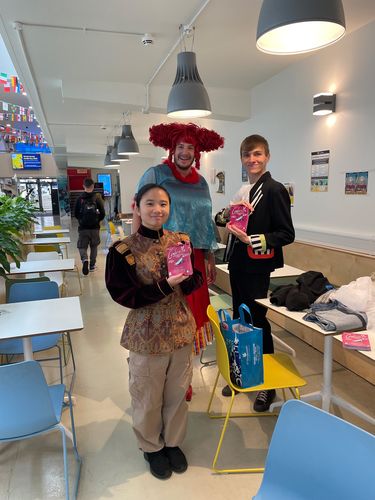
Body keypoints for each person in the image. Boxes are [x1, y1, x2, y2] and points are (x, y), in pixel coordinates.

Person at [105, 183, 203, 480]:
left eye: (162, 204)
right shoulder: (123, 250)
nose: (157, 210)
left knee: (176, 394)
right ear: (136, 206)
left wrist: (187, 279)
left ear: (169, 208)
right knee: (147, 396)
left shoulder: (180, 241)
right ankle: (151, 446)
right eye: (149, 203)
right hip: (145, 334)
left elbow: (194, 278)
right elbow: (124, 294)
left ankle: (172, 443)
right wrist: (166, 285)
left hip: (180, 330)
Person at [132, 122, 224, 401]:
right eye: (180, 147)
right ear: (172, 149)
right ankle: (160, 379)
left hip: (193, 257)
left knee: (190, 319)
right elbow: (138, 207)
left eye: (190, 148)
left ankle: (184, 377)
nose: (185, 152)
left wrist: (209, 257)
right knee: (165, 316)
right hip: (161, 256)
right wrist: (137, 250)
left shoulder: (201, 181)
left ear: (197, 152)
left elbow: (205, 222)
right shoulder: (156, 173)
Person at [221, 134, 295, 411]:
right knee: (240, 319)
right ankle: (244, 374)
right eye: (247, 155)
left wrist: (251, 240)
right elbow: (230, 218)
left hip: (257, 265)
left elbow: (286, 234)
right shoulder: (245, 190)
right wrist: (226, 219)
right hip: (238, 263)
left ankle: (267, 385)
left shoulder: (275, 189)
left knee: (258, 322)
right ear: (241, 159)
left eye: (257, 154)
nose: (252, 159)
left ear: (267, 157)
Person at [74, 177, 105, 275]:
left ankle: (84, 260)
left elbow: (75, 213)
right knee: (94, 246)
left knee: (82, 246)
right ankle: (92, 265)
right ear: (93, 186)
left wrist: (81, 220)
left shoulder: (80, 198)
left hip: (83, 228)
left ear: (83, 186)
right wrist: (97, 220)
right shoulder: (97, 197)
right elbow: (103, 213)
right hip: (95, 227)